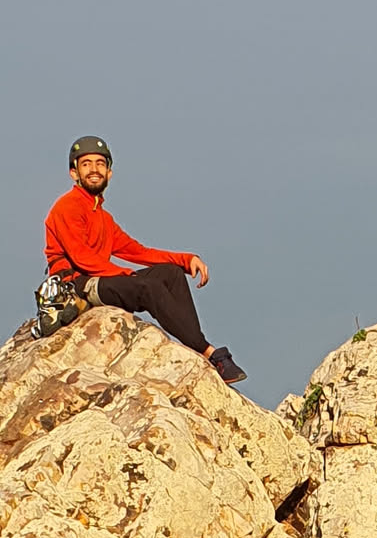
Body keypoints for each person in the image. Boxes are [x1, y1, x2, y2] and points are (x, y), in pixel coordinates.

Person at [40, 136, 246, 383]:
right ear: (74, 173)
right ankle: (210, 353)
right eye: (86, 164)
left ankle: (195, 345)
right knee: (147, 286)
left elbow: (137, 251)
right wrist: (129, 277)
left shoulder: (103, 217)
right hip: (78, 285)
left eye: (100, 163)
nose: (94, 169)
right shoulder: (67, 207)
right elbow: (83, 259)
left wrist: (185, 260)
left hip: (101, 278)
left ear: (109, 173)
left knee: (170, 273)